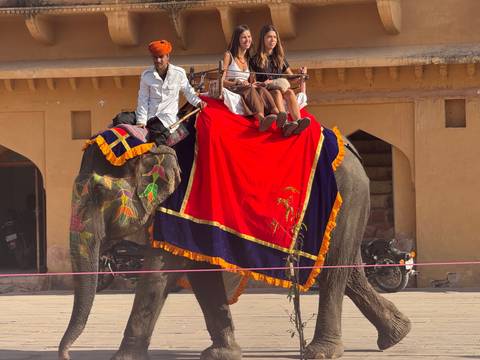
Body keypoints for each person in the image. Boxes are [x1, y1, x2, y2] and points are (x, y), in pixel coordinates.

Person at [136, 39, 207, 145]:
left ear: (168, 56)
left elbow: (188, 92)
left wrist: (198, 102)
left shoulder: (179, 73)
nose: (158, 60)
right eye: (155, 57)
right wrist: (141, 121)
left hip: (169, 120)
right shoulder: (146, 75)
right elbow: (143, 99)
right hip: (151, 119)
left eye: (161, 57)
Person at [222, 24, 287, 132]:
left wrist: (255, 83)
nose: (247, 40)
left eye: (249, 37)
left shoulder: (247, 58)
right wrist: (237, 82)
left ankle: (278, 114)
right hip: (233, 87)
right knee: (250, 89)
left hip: (245, 87)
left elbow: (250, 81)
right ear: (237, 40)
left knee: (261, 89)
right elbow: (221, 81)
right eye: (243, 37)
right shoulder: (228, 55)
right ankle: (261, 120)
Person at [250, 24, 310, 136]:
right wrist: (264, 83)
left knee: (290, 92)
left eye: (275, 37)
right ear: (263, 39)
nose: (272, 40)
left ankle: (298, 121)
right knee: (277, 92)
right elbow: (252, 83)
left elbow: (292, 78)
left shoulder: (279, 58)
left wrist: (301, 75)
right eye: (269, 37)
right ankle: (285, 124)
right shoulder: (254, 60)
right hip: (265, 93)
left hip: (281, 90)